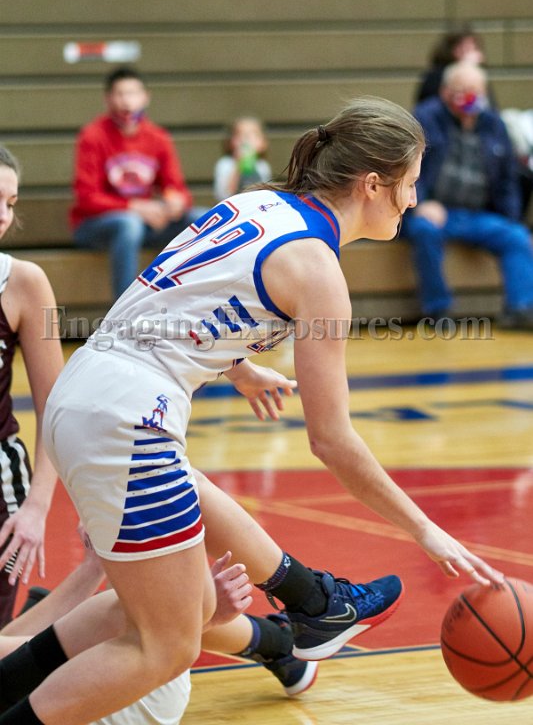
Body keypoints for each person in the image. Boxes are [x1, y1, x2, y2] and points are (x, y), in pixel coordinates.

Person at [3, 97, 504, 725]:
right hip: (126, 416)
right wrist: (423, 529)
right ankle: (314, 603)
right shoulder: (318, 271)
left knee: (174, 594)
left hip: (87, 391)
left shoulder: (255, 203)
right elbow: (331, 440)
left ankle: (312, 599)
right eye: (409, 184)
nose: (412, 200)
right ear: (373, 184)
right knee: (166, 646)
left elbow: (175, 301)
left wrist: (237, 367)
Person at [0, 536, 316, 725]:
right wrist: (201, 616)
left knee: (138, 598)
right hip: (118, 706)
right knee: (147, 603)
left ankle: (275, 642)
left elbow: (16, 653)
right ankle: (276, 641)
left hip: (49, 696)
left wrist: (93, 566)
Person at [403, 61, 533, 329]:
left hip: (478, 214)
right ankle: (438, 310)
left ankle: (519, 309)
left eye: (475, 90)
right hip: (436, 211)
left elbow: (507, 179)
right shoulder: (425, 118)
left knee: (516, 236)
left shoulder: (494, 124)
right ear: (445, 91)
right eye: (461, 89)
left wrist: (511, 219)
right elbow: (407, 167)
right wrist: (420, 203)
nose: (469, 96)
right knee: (424, 230)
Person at [0, 146, 63, 627]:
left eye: (11, 203)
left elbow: (56, 406)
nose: (4, 215)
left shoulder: (23, 282)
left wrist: (37, 507)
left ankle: (264, 638)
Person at [70, 66, 194, 300]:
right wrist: (135, 207)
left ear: (146, 97)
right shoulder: (92, 136)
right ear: (108, 99)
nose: (127, 101)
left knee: (201, 219)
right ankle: (124, 312)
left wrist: (175, 202)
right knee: (129, 224)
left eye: (133, 93)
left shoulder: (158, 138)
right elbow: (87, 199)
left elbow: (177, 188)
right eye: (120, 94)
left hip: (142, 224)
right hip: (94, 227)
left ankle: (194, 300)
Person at [414, 24, 489, 105]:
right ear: (452, 49)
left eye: (474, 48)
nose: (471, 52)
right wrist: (465, 67)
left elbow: (487, 106)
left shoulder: (477, 74)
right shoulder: (436, 76)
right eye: (466, 48)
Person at [213, 116, 272, 201]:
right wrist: (239, 165)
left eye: (253, 135)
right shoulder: (225, 164)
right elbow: (223, 195)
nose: (246, 141)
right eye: (240, 135)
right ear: (230, 141)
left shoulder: (262, 166)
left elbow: (265, 195)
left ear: (263, 143)